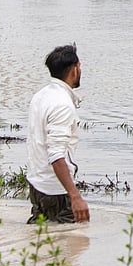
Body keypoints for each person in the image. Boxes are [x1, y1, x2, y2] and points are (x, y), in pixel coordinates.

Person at [26, 44, 89, 224]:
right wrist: (75, 196)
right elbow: (56, 155)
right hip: (57, 192)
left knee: (44, 243)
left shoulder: (40, 96)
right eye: (80, 67)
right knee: (74, 245)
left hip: (37, 186)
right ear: (75, 69)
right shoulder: (62, 104)